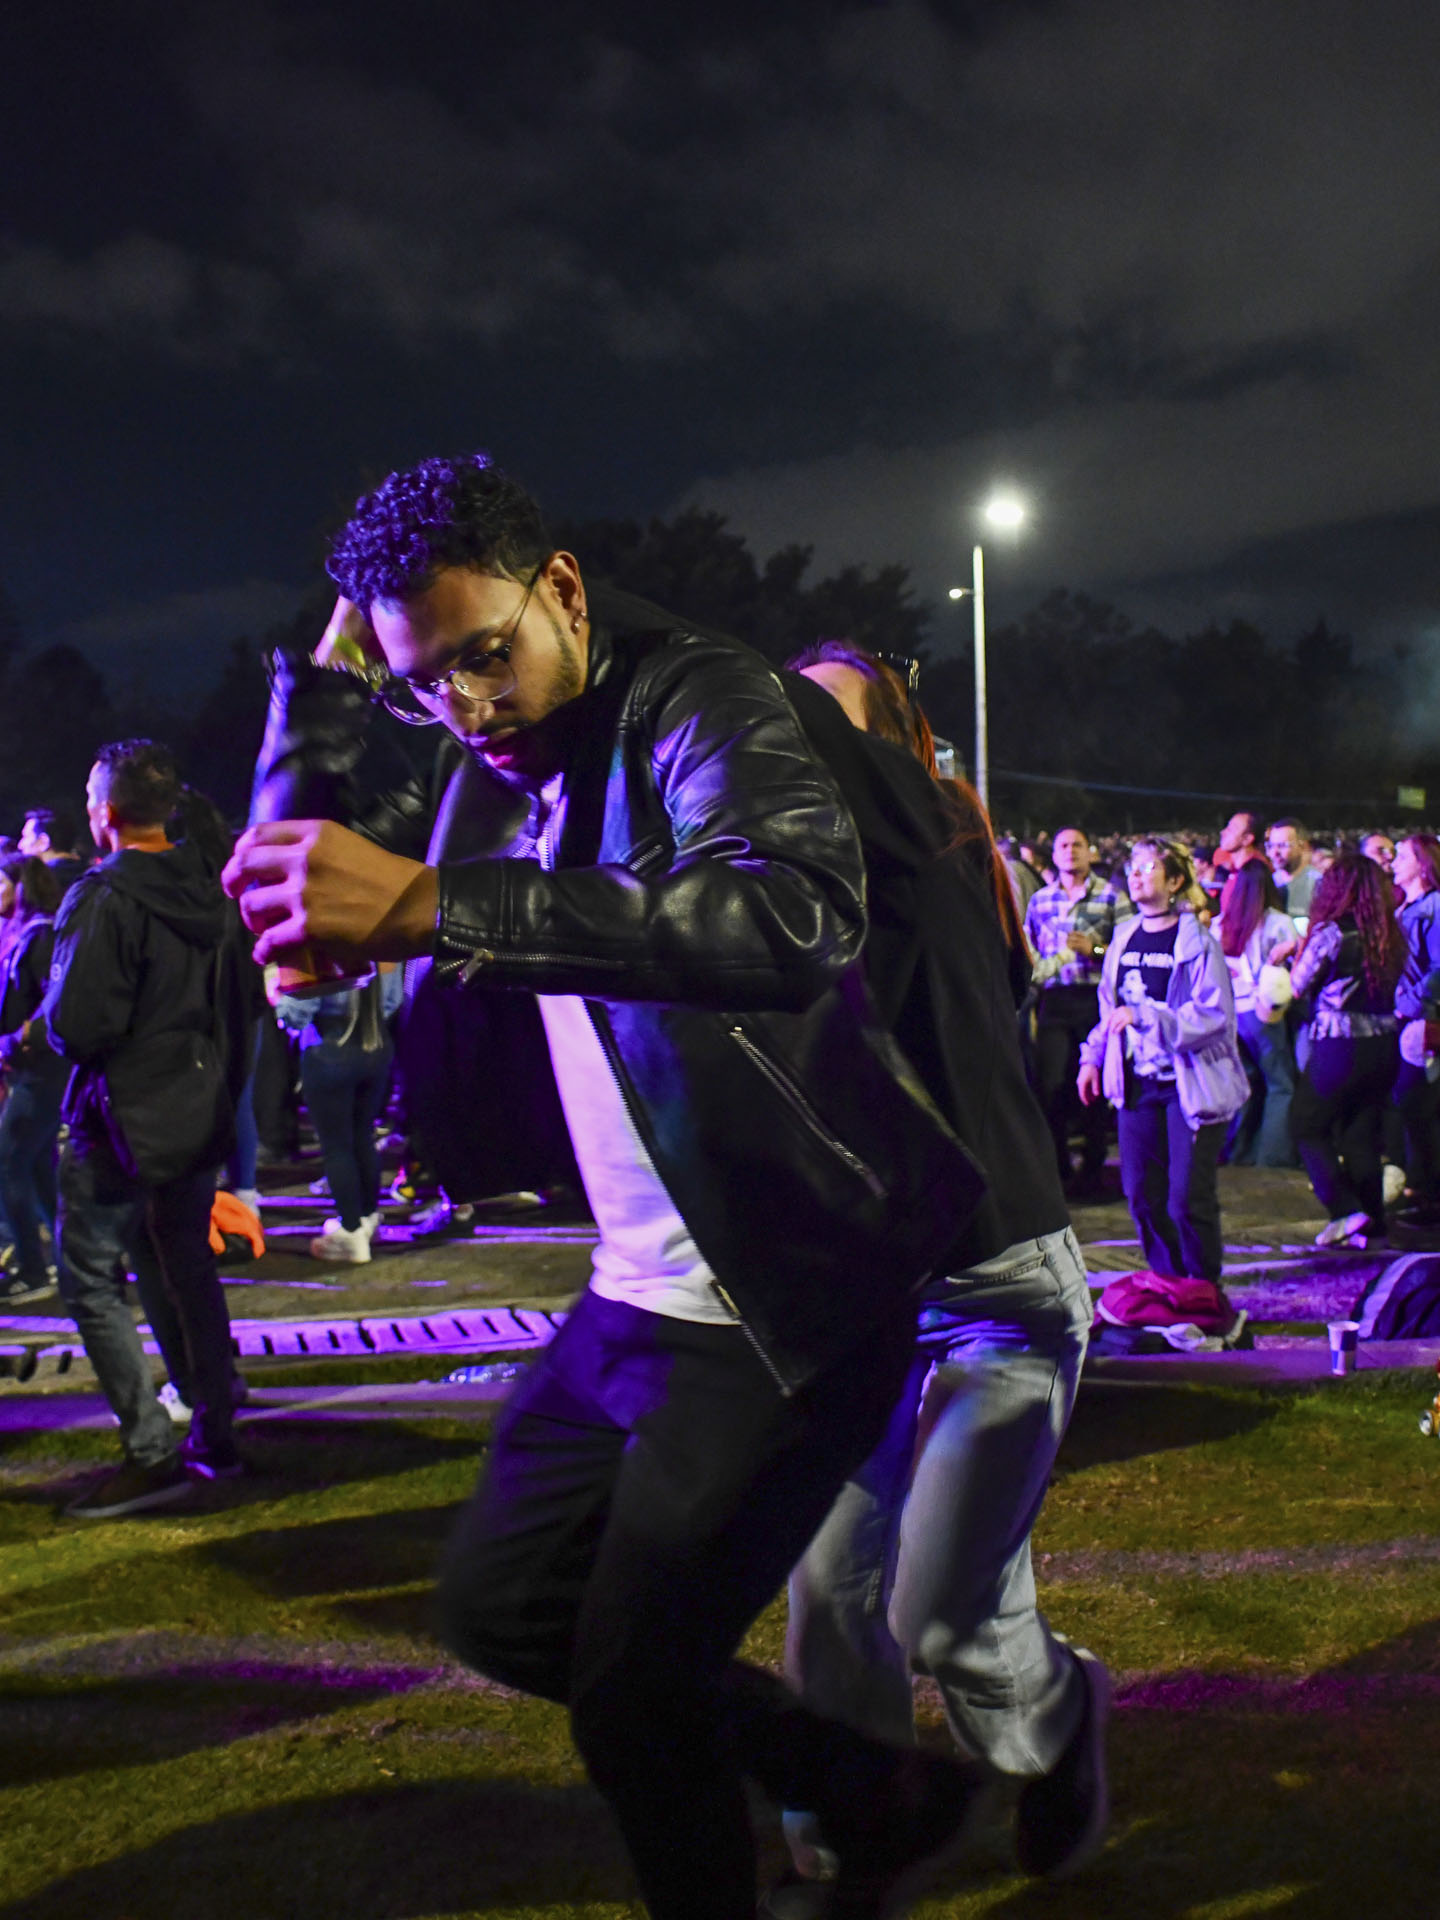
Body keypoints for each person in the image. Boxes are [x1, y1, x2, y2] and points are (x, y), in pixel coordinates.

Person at [225, 453, 993, 1920]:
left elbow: (789, 911)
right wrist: (325, 701)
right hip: (634, 1295)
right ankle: (871, 1787)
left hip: (783, 1299)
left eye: (484, 655)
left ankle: (854, 1809)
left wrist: (435, 903)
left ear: (564, 592)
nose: (467, 706)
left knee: (635, 1699)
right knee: (503, 1610)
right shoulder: (484, 740)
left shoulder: (701, 696)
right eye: (423, 682)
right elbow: (294, 854)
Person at [777, 642, 1106, 1904]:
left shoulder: (931, 832)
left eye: (824, 716)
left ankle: (1059, 1719)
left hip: (995, 1289)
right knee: (829, 1587)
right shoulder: (788, 875)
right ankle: (857, 1828)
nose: (793, 738)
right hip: (856, 1294)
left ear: (895, 746)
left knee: (942, 1615)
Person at [44, 742, 255, 1518]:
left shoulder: (106, 896)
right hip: (194, 1102)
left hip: (119, 1114)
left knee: (89, 1277)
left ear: (105, 813)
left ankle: (149, 1451)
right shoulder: (209, 887)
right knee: (186, 1263)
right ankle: (217, 1430)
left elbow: (76, 1024)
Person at [1078, 839, 1247, 1287]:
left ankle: (1204, 1289)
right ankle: (1170, 1284)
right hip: (1137, 1082)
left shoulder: (1196, 942)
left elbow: (1214, 1015)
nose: (1135, 875)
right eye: (1133, 867)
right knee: (1141, 1195)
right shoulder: (1124, 937)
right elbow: (1109, 1007)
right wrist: (1093, 1056)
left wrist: (1148, 1017)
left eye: (1148, 867)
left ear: (1174, 882)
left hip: (1187, 1082)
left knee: (1186, 1198)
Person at [1289, 853, 1405, 1247]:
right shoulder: (1390, 931)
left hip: (1340, 1044)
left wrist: (1293, 956)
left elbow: (1297, 986)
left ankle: (1343, 1208)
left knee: (1306, 1123)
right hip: (1385, 1043)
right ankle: (1372, 1221)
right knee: (1361, 1132)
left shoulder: (1332, 933)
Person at [1024, 827, 1133, 1196]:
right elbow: (1029, 950)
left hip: (1095, 1000)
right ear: (1054, 855)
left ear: (1090, 852)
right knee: (1051, 1084)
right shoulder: (1040, 900)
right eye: (1064, 845)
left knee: (1093, 1087)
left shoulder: (1111, 897)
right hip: (1054, 1000)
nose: (1071, 851)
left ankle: (1093, 1167)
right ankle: (1057, 1167)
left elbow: (1128, 953)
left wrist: (1095, 950)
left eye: (1078, 845)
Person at [273, 966, 402, 1262]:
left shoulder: (316, 944)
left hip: (329, 1049)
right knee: (362, 1137)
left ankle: (351, 1231)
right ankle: (368, 1218)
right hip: (375, 1046)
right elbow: (392, 1001)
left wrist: (274, 993)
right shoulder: (380, 942)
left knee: (337, 1147)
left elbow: (295, 1014)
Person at [0, 854, 66, 1302]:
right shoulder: (21, 932)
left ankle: (32, 1269)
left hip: (42, 1070)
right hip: (29, 1069)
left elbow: (53, 1000)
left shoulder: (41, 934)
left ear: (21, 885)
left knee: (7, 1164)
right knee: (40, 1168)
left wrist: (19, 1037)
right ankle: (68, 1262)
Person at [1216, 863, 1299, 1167]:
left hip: (1230, 1015)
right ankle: (1272, 1156)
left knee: (1244, 1085)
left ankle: (1238, 1152)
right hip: (1263, 1012)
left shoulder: (1221, 924)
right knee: (1281, 1084)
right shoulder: (1278, 923)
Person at [1391, 833, 1440, 1226]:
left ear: (1423, 864)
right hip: (1407, 1020)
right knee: (1411, 1106)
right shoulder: (1405, 906)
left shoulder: (1434, 906)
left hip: (1423, 1021)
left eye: (1401, 856)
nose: (1393, 862)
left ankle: (1428, 1193)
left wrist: (1409, 1003)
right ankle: (1419, 1187)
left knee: (1418, 1106)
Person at [18, 807, 88, 894]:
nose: (20, 845)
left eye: (26, 836)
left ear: (43, 842)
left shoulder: (39, 880)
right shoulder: (90, 873)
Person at [1265, 818, 1317, 921]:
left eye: (1282, 845)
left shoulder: (1317, 883)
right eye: (1271, 846)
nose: (1275, 852)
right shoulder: (1270, 882)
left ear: (1302, 846)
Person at [1213, 810, 1266, 875]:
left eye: (1231, 829)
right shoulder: (1234, 872)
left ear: (1247, 839)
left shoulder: (1253, 874)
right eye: (1227, 827)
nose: (1222, 832)